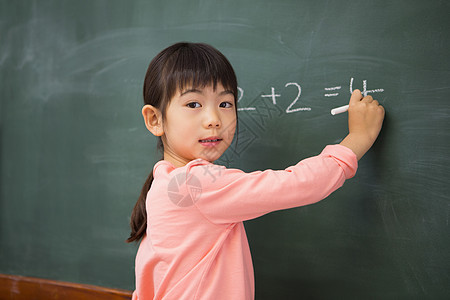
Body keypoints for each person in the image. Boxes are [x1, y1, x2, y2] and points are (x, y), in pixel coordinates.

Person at [127, 42, 384, 300]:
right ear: (155, 119)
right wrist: (359, 138)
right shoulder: (194, 185)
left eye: (225, 103)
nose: (214, 118)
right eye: (194, 104)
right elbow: (299, 185)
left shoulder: (163, 184)